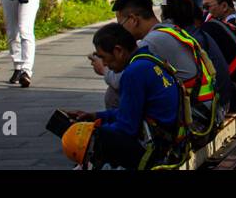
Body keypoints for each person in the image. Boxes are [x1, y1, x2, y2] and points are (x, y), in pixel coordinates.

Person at [66, 23, 183, 170]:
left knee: (95, 139)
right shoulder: (148, 59)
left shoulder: (134, 72)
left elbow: (126, 128)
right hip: (168, 140)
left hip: (156, 149)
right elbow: (130, 112)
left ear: (118, 51)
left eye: (103, 57)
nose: (104, 64)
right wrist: (95, 116)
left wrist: (92, 129)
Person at [161, 0, 235, 114]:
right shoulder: (197, 35)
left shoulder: (188, 42)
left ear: (169, 20)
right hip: (222, 102)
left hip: (215, 110)